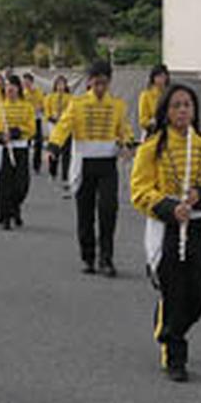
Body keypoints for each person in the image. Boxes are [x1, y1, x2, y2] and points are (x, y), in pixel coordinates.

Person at [131, 84, 201, 382]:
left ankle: (168, 329)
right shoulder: (152, 148)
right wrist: (169, 208)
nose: (182, 110)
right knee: (173, 289)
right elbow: (139, 190)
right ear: (165, 111)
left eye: (187, 104)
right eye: (176, 105)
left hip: (197, 226)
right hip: (166, 227)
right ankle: (175, 354)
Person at [47, 60, 134, 277]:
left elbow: (124, 130)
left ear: (109, 82)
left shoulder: (118, 105)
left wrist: (127, 143)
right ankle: (88, 256)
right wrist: (53, 147)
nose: (100, 88)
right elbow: (63, 127)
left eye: (104, 83)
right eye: (96, 83)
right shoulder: (77, 104)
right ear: (89, 82)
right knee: (85, 213)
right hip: (84, 164)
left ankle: (106, 258)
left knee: (108, 210)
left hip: (107, 164)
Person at [0, 75, 36, 230]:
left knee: (22, 185)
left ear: (18, 88)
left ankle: (15, 208)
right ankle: (5, 217)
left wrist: (15, 132)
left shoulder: (27, 106)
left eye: (13, 85)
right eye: (7, 85)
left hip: (21, 148)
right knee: (5, 184)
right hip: (4, 149)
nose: (10, 88)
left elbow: (32, 128)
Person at [44, 75, 73, 196]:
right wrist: (52, 118)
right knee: (54, 151)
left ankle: (65, 176)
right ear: (55, 85)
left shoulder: (70, 98)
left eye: (63, 84)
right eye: (58, 84)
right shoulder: (50, 97)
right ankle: (52, 171)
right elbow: (47, 111)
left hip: (66, 126)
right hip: (53, 125)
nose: (61, 86)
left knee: (66, 152)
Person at [138, 64, 169, 140]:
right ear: (153, 78)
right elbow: (142, 120)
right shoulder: (146, 95)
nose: (161, 79)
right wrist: (153, 122)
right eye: (158, 77)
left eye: (163, 76)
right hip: (151, 133)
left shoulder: (171, 94)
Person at [22, 73, 46, 175]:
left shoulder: (39, 92)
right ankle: (24, 164)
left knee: (38, 143)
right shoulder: (23, 94)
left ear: (32, 82)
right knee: (25, 143)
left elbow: (43, 105)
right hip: (26, 121)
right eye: (24, 82)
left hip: (37, 120)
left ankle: (37, 165)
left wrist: (39, 108)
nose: (26, 84)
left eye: (27, 81)